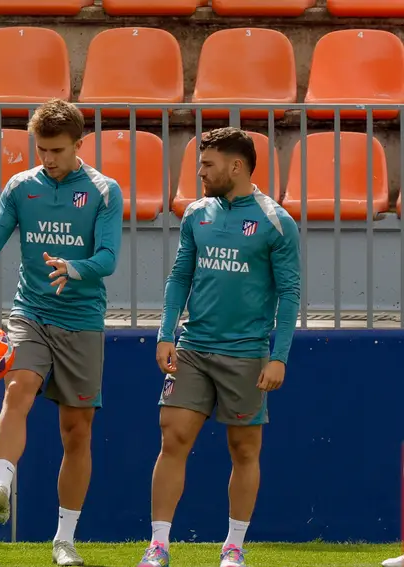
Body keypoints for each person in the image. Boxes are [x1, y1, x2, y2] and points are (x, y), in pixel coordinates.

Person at [0, 99, 124, 567]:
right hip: (30, 313)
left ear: (79, 144)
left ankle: (64, 540)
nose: (48, 158)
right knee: (17, 390)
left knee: (76, 432)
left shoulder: (104, 190)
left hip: (82, 319)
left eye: (57, 150)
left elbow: (107, 258)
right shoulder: (21, 186)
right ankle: (0, 485)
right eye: (41, 148)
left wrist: (75, 268)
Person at [135, 127, 301, 567]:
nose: (200, 171)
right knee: (174, 436)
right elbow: (179, 278)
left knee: (244, 450)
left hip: (246, 354)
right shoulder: (195, 214)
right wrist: (165, 333)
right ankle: (159, 545)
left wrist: (279, 355)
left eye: (207, 164)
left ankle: (233, 546)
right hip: (193, 347)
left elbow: (289, 294)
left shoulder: (276, 221)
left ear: (236, 166)